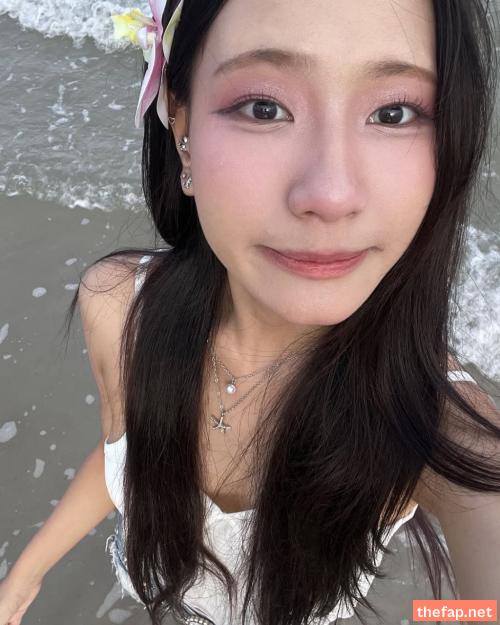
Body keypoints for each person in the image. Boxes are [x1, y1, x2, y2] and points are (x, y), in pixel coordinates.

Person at [1, 1, 499, 624]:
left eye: (393, 113)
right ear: (181, 126)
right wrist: (26, 572)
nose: (331, 194)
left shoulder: (436, 424)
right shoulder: (117, 306)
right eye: (264, 107)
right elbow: (122, 452)